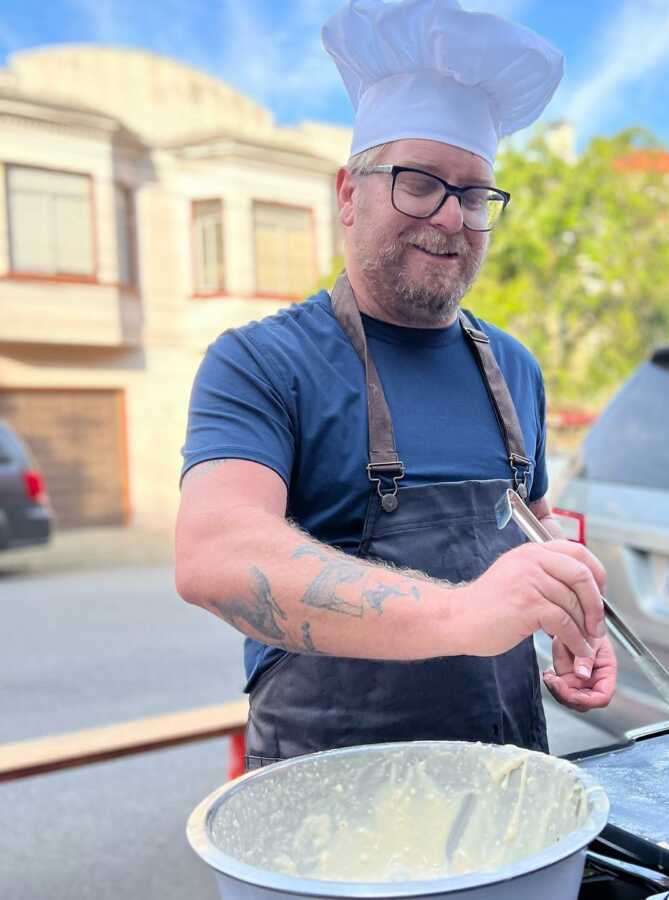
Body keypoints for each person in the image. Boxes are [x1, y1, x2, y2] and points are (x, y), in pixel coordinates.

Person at [175, 0, 617, 768]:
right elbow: (216, 555)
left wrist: (571, 615)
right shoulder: (261, 362)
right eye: (420, 182)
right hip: (331, 793)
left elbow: (534, 524)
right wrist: (463, 612)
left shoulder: (514, 367)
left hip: (506, 773)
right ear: (349, 193)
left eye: (476, 193)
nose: (451, 218)